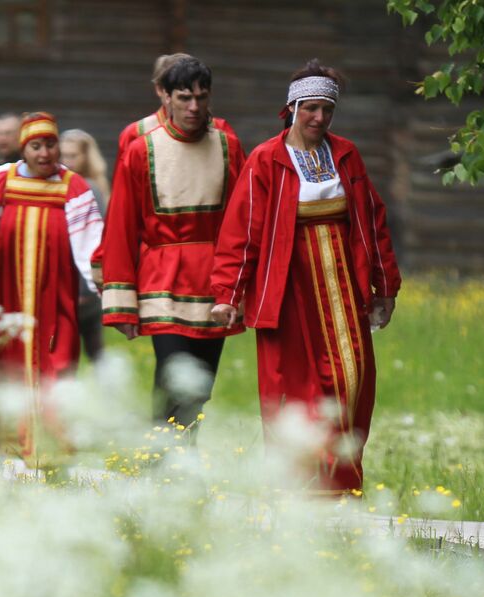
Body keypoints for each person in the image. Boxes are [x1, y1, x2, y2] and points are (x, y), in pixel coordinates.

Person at [210, 60, 400, 495]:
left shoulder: (346, 155)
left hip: (343, 283)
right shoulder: (266, 160)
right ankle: (292, 486)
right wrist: (228, 292)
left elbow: (372, 221)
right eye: (311, 108)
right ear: (292, 107)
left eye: (327, 110)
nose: (319, 118)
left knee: (353, 377)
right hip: (288, 287)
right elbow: (243, 231)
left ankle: (340, 484)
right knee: (292, 386)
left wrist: (384, 286)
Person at [100, 56, 246, 432]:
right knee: (171, 375)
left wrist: (238, 286)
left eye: (201, 97)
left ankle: (182, 464)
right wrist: (121, 301)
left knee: (200, 384)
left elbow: (242, 221)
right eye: (184, 97)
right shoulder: (140, 148)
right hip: (161, 276)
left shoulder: (228, 145)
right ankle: (157, 462)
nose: (194, 107)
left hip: (213, 278)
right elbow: (121, 224)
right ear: (164, 96)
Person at [0, 112, 103, 460]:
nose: (44, 154)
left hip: (55, 294)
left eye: (50, 145)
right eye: (36, 146)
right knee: (4, 358)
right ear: (24, 150)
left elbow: (92, 242)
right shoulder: (2, 179)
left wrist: (105, 283)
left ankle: (51, 444)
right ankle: (1, 440)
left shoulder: (74, 185)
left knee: (57, 359)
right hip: (7, 292)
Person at [60, 128, 109, 363]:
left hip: (82, 286)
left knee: (81, 347)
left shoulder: (87, 188)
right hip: (69, 282)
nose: (66, 162)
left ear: (85, 157)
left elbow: (93, 242)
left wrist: (84, 288)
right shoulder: (67, 185)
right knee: (87, 347)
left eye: (73, 156)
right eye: (63, 155)